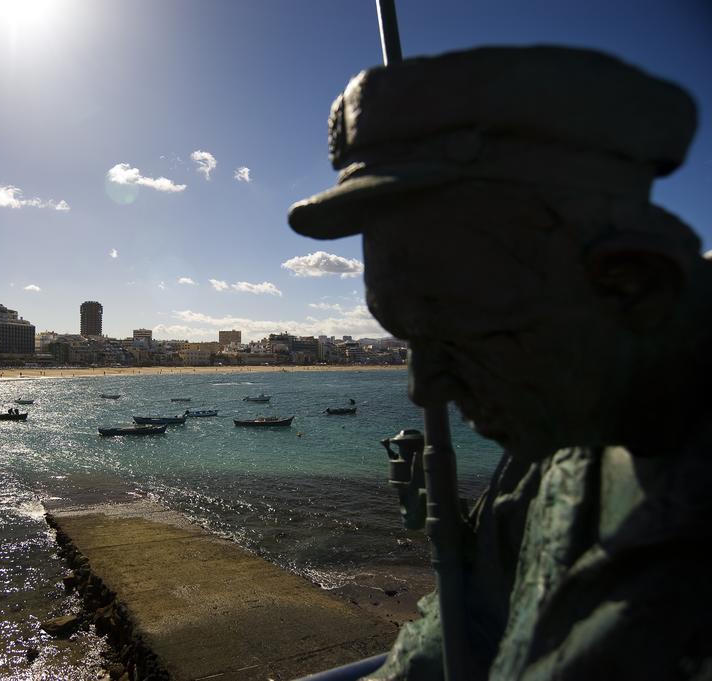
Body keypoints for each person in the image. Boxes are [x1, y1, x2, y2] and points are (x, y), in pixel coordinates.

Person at [289, 46, 711, 680]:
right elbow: (474, 623)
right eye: (406, 339)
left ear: (633, 285)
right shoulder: (557, 442)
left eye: (461, 339)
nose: (422, 389)